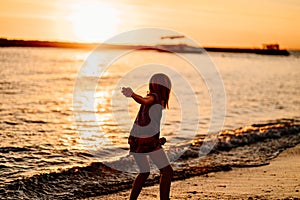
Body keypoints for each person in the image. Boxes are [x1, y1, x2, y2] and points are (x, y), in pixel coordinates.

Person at [122, 73, 173, 200]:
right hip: (146, 140)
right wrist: (133, 95)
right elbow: (144, 100)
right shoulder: (154, 97)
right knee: (167, 171)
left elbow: (149, 121)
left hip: (136, 139)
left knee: (144, 172)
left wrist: (157, 140)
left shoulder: (156, 99)